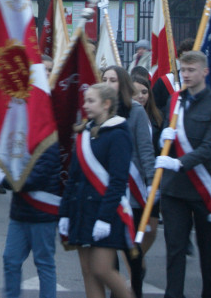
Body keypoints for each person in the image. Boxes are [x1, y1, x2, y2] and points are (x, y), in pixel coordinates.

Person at [153, 50, 211, 298]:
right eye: (183, 70)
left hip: (203, 187)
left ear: (204, 72)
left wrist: (178, 163)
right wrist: (164, 137)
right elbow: (167, 137)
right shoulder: (175, 101)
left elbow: (210, 147)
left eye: (191, 70)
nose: (185, 75)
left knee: (209, 249)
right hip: (175, 189)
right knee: (175, 248)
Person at [58, 83, 134, 298]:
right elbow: (72, 178)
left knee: (102, 269)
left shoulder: (119, 135)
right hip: (81, 210)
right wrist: (64, 212)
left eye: (91, 101)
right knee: (88, 272)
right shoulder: (84, 133)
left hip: (106, 213)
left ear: (107, 104)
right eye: (85, 101)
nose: (85, 105)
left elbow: (118, 181)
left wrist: (104, 218)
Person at [100, 66, 154, 298]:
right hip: (107, 189)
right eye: (104, 79)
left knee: (132, 250)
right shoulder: (100, 110)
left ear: (122, 84)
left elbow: (145, 149)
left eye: (113, 79)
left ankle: (136, 291)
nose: (108, 83)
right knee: (110, 250)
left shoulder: (136, 111)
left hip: (132, 192)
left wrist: (152, 183)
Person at [0, 142, 62, 298]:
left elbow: (35, 179)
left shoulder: (49, 142)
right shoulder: (20, 138)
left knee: (44, 264)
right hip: (19, 213)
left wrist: (4, 180)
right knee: (11, 260)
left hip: (42, 214)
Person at [129, 68, 162, 259]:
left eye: (144, 92)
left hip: (151, 180)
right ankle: (134, 268)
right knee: (132, 231)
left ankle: (137, 259)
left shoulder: (159, 118)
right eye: (135, 92)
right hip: (133, 180)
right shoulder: (126, 116)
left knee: (151, 230)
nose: (140, 96)